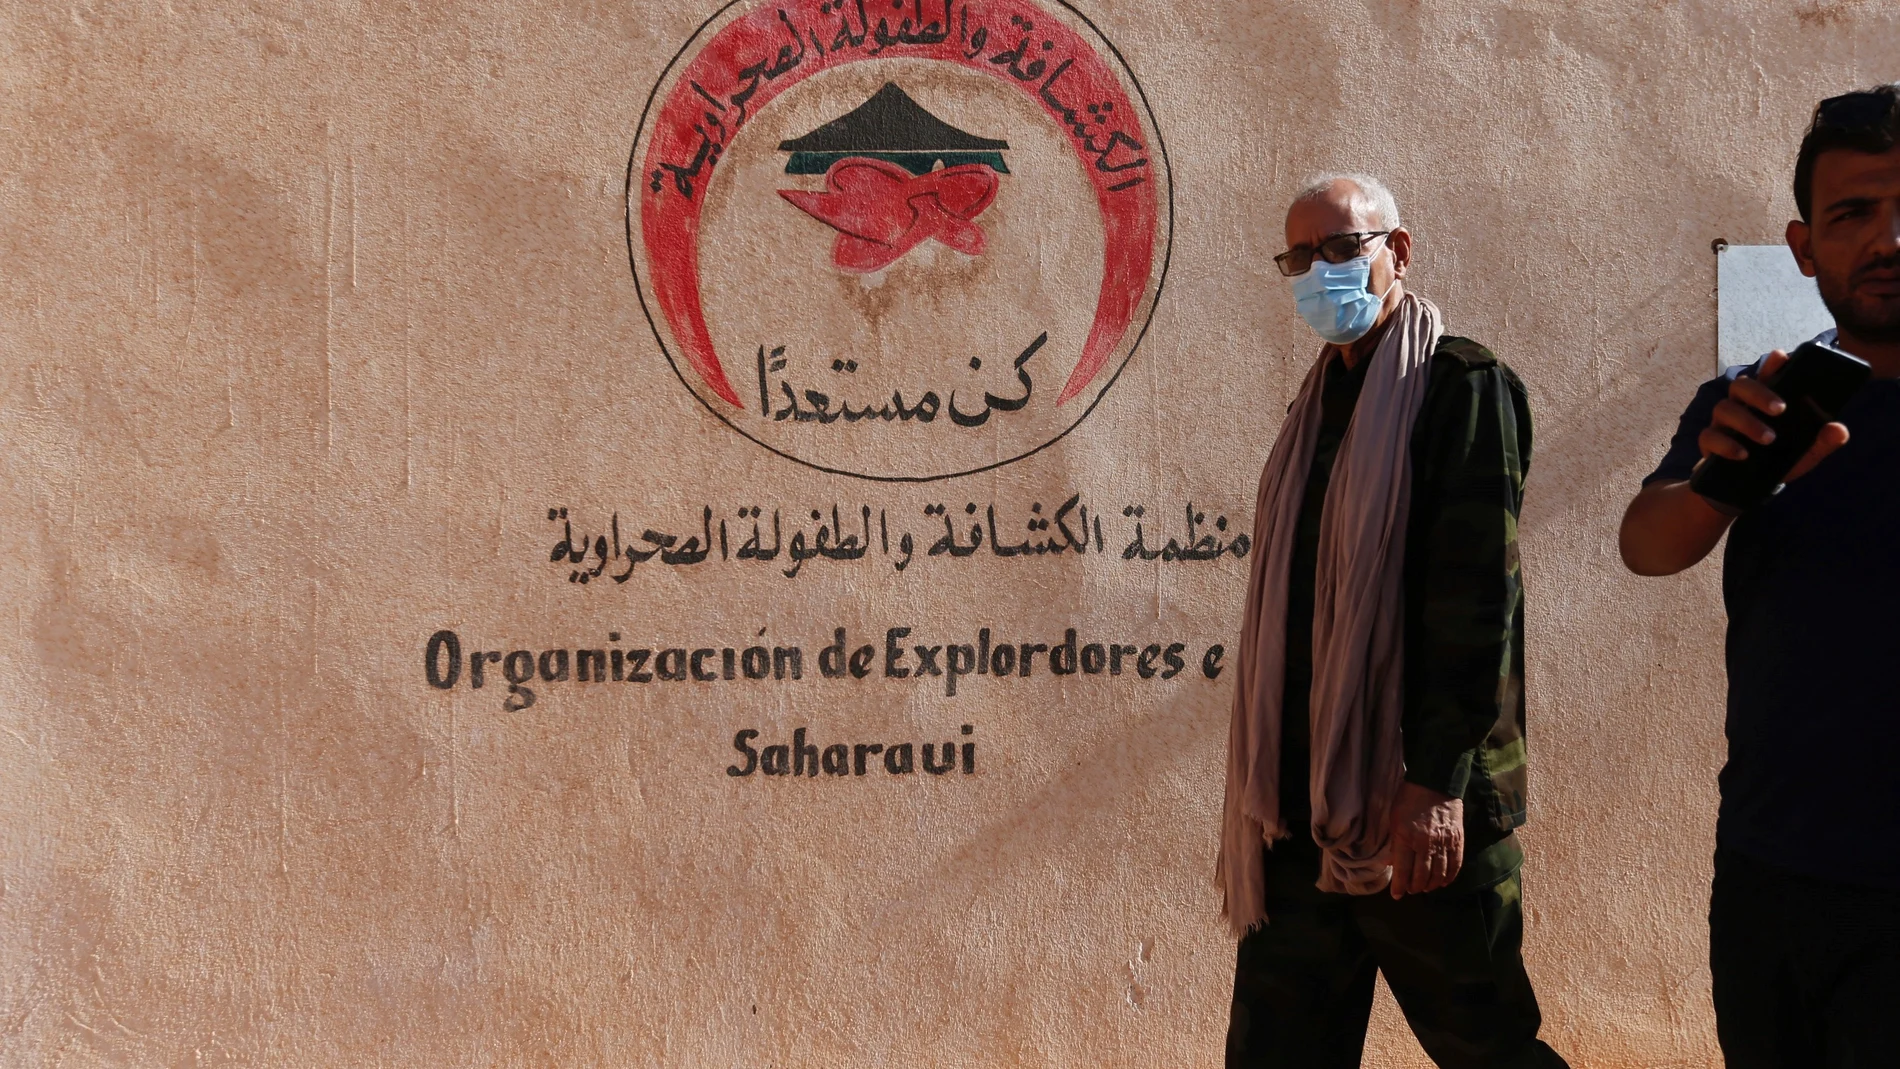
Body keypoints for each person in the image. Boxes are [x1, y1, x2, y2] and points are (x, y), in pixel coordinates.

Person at [1218, 174, 1568, 1069]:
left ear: (1397, 252)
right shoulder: (1313, 409)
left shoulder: (1461, 387)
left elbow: (1476, 600)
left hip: (1419, 803)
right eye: (1301, 256)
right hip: (1303, 809)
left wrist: (1437, 782)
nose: (1320, 270)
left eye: (1342, 247)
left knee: (1491, 1052)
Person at [1619, 86, 1900, 1068]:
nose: (1889, 239)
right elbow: (1648, 544)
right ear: (1803, 247)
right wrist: (1725, 482)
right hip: (1770, 873)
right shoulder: (1752, 403)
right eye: (1853, 213)